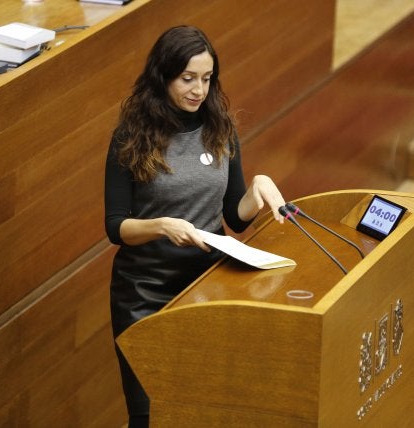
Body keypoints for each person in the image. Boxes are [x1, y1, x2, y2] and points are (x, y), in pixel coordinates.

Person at [104, 25, 286, 427]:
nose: (198, 90)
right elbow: (116, 227)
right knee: (149, 413)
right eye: (187, 79)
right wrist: (161, 225)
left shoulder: (221, 130)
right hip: (144, 290)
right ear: (164, 75)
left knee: (202, 407)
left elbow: (235, 219)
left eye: (206, 79)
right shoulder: (131, 136)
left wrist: (257, 188)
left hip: (205, 284)